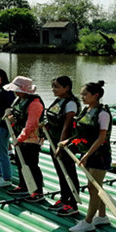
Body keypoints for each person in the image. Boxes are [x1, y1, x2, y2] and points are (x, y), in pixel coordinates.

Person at [58, 81, 112, 232]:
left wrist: (87, 155)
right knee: (95, 187)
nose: (82, 97)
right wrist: (67, 141)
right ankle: (102, 216)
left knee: (93, 188)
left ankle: (88, 221)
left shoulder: (103, 113)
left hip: (99, 156)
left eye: (85, 94)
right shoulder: (87, 110)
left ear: (96, 95)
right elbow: (80, 132)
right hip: (88, 153)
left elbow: (101, 138)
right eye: (81, 94)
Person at [43, 76, 81, 217]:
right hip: (54, 140)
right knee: (60, 172)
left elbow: (67, 125)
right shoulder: (59, 100)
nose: (54, 90)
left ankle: (73, 204)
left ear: (67, 88)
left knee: (69, 173)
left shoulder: (71, 104)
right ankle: (64, 199)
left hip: (65, 144)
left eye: (57, 87)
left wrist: (61, 144)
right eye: (53, 87)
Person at [4, 76, 45, 202]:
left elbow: (32, 123)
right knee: (20, 162)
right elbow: (16, 114)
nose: (15, 92)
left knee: (31, 165)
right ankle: (23, 185)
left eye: (17, 89)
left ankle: (38, 192)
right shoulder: (20, 100)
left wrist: (20, 138)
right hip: (20, 137)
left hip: (31, 139)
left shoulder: (35, 104)